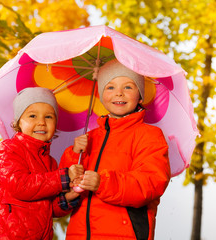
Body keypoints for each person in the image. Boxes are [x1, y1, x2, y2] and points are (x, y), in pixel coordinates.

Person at [59, 59, 171, 240]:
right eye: (110, 87)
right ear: (101, 95)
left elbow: (150, 183)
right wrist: (74, 155)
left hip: (123, 234)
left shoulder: (150, 135)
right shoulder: (90, 138)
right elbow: (65, 188)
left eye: (128, 87)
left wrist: (102, 183)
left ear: (140, 95)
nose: (119, 93)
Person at [0, 87, 83, 240]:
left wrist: (67, 198)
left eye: (49, 117)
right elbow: (20, 186)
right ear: (19, 122)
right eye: (32, 116)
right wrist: (63, 177)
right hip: (5, 233)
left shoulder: (51, 162)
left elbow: (48, 208)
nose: (41, 122)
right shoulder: (9, 148)